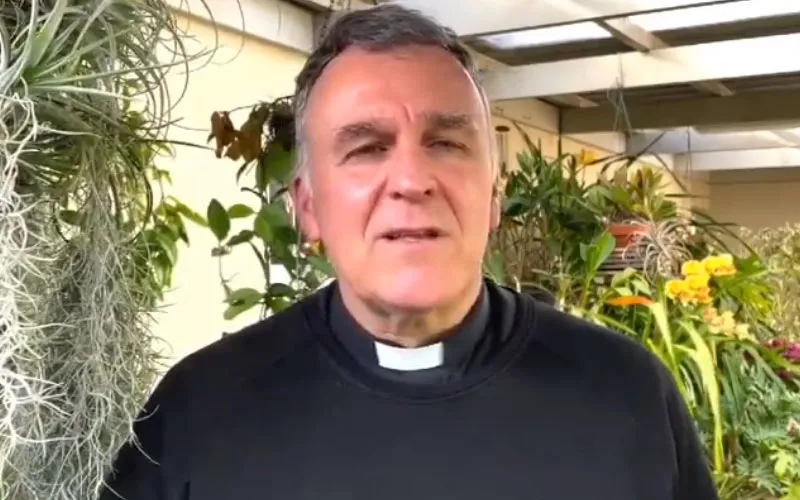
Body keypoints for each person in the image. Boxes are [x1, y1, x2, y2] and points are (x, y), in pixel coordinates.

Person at [100, 4, 719, 500]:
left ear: (494, 194)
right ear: (308, 207)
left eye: (446, 143)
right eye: (367, 148)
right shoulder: (199, 412)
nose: (412, 180)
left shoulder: (628, 396)